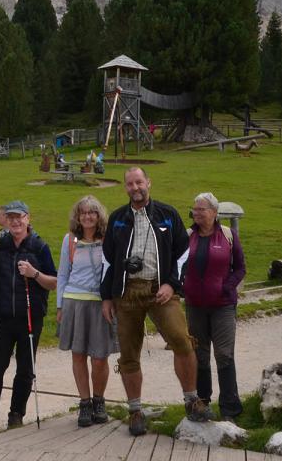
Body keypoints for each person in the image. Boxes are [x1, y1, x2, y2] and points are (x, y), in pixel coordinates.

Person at [101, 167, 210, 436]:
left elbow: (183, 252)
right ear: (125, 187)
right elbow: (107, 261)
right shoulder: (117, 218)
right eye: (129, 183)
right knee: (128, 353)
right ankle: (135, 410)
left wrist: (172, 284)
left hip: (160, 290)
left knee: (182, 340)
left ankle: (191, 400)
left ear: (148, 182)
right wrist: (106, 297)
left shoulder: (167, 215)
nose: (135, 187)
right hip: (126, 294)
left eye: (139, 182)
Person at [0, 199, 56, 429]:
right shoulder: (1, 245)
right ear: (6, 220)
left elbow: (53, 282)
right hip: (3, 318)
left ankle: (16, 414)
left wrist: (34, 274)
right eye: (11, 217)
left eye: (20, 216)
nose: (16, 221)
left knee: (25, 369)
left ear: (28, 219)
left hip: (30, 318)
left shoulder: (39, 247)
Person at [182, 192, 246, 421]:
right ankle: (202, 403)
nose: (197, 213)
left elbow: (240, 268)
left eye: (202, 209)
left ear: (214, 212)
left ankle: (230, 408)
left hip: (223, 306)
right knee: (199, 354)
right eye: (195, 209)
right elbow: (177, 264)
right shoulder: (187, 236)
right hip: (195, 306)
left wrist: (227, 287)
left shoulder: (228, 236)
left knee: (224, 354)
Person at [56, 195, 116, 427]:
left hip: (100, 303)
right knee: (78, 354)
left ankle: (99, 400)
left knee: (100, 357)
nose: (88, 216)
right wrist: (60, 305)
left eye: (92, 212)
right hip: (74, 301)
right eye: (83, 213)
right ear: (78, 217)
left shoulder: (108, 240)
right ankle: (84, 403)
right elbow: (63, 273)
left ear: (99, 215)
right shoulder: (69, 240)